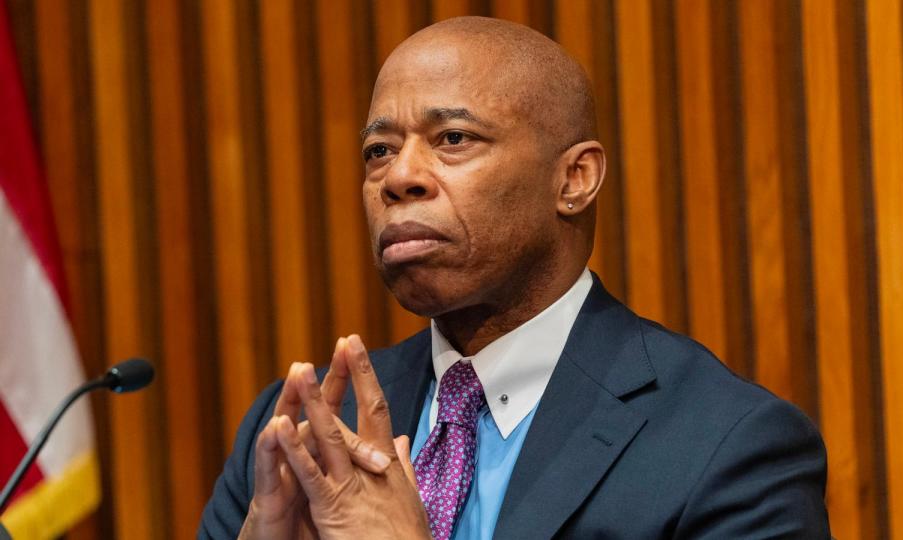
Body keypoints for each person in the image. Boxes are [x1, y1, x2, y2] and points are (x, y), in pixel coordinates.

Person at [200, 16, 831, 539]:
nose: (397, 179)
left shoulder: (725, 447)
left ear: (573, 179)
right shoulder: (300, 435)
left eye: (452, 138)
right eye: (379, 151)